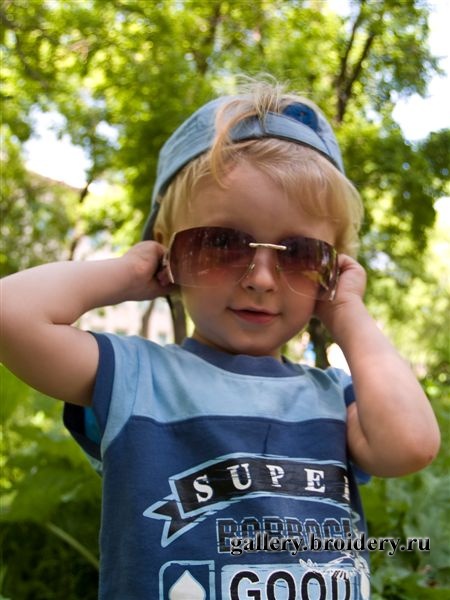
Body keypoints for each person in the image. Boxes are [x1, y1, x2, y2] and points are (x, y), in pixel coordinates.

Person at [0, 80, 440, 600]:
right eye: (220, 244)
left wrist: (349, 314)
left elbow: (411, 445)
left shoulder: (336, 399)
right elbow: (11, 314)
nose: (261, 278)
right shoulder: (136, 380)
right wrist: (127, 273)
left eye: (302, 255)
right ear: (168, 256)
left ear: (332, 273)